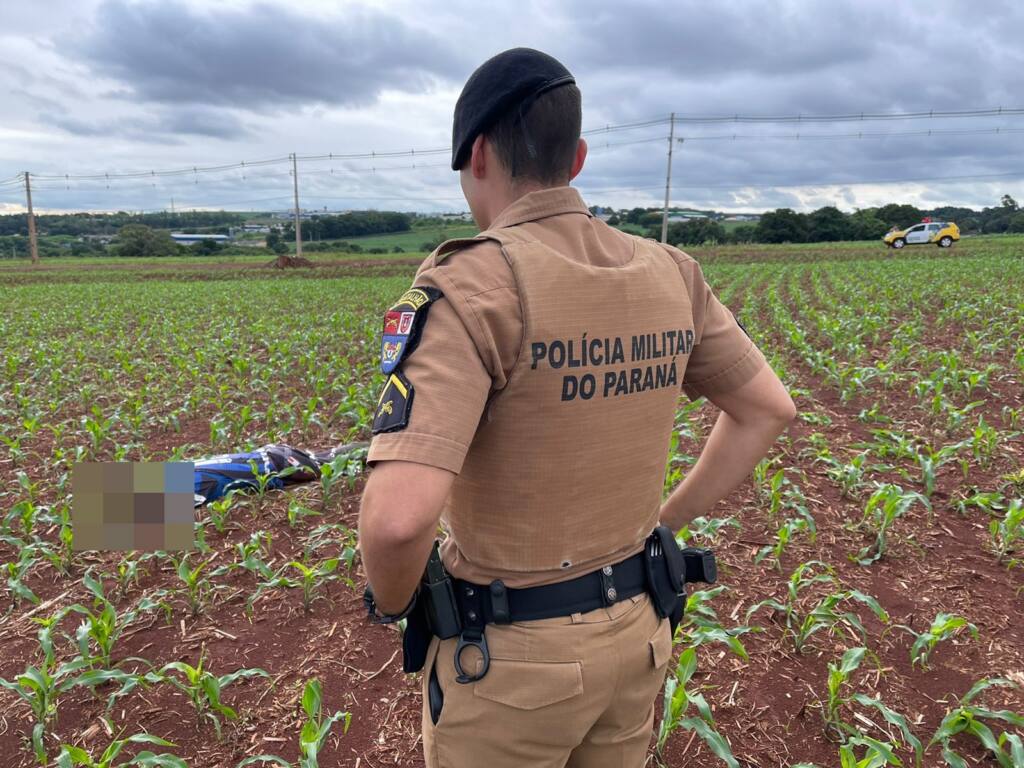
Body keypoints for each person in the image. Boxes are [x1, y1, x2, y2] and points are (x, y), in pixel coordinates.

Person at [358, 47, 795, 768]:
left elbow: (399, 520)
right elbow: (766, 409)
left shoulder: (470, 284)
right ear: (579, 156)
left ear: (477, 156)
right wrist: (661, 525)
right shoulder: (670, 271)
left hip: (509, 667)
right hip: (641, 635)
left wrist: (395, 601)